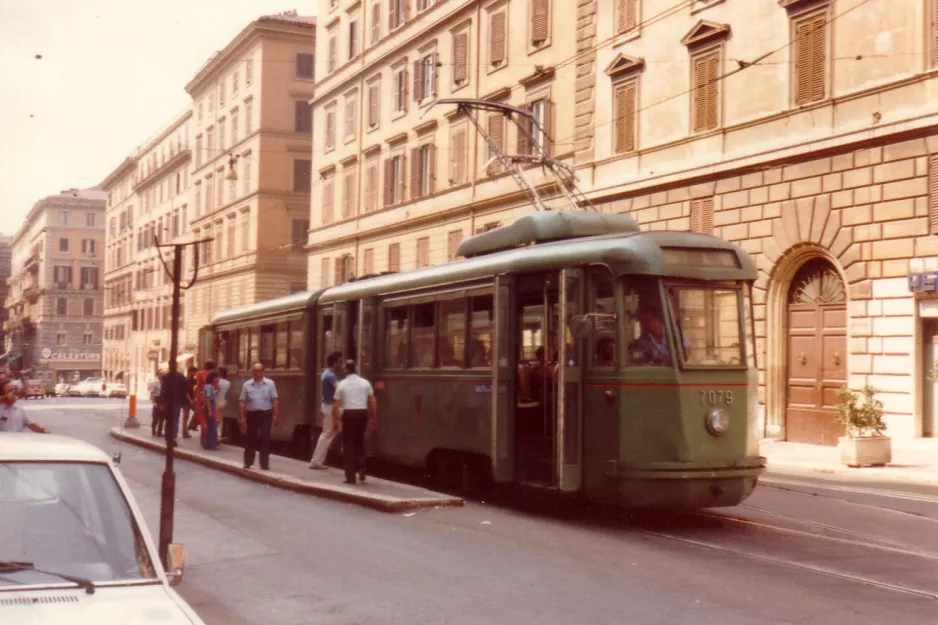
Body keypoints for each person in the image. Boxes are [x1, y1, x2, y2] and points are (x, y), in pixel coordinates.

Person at [331, 359, 376, 485]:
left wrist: (335, 421)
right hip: (362, 413)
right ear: (355, 368)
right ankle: (362, 466)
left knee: (348, 445)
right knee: (359, 440)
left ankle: (350, 477)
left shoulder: (342, 384)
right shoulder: (365, 382)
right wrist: (374, 417)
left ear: (346, 370)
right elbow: (372, 400)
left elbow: (336, 405)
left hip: (349, 414)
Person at [239, 363, 279, 470]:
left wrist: (275, 415)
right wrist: (242, 417)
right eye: (254, 371)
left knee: (265, 438)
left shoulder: (270, 384)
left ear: (263, 371)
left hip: (266, 414)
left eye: (258, 370)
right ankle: (248, 462)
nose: (256, 373)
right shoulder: (247, 385)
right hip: (252, 414)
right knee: (250, 438)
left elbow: (275, 400)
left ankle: (264, 464)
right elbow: (242, 401)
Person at [309, 351, 342, 470]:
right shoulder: (330, 375)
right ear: (334, 362)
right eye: (340, 362)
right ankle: (316, 461)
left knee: (329, 433)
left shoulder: (326, 374)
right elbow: (339, 389)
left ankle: (317, 461)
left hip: (328, 406)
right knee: (327, 433)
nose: (341, 364)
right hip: (330, 407)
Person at [158, 366, 190, 440]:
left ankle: (169, 434)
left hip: (170, 401)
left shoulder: (166, 376)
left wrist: (161, 402)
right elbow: (185, 388)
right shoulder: (180, 376)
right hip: (175, 401)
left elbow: (163, 390)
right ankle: (173, 435)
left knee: (170, 418)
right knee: (175, 418)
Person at [202, 370, 220, 450]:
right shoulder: (209, 386)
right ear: (213, 378)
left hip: (209, 406)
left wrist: (216, 390)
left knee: (211, 426)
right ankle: (210, 444)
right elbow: (208, 399)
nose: (218, 379)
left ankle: (208, 444)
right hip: (209, 406)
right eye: (217, 377)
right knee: (212, 426)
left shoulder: (209, 386)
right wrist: (209, 410)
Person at [182, 366, 198, 438]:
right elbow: (185, 392)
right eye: (194, 372)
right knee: (186, 416)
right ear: (190, 372)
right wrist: (190, 400)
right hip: (185, 401)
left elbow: (195, 390)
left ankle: (192, 425)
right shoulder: (185, 380)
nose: (195, 373)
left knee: (198, 412)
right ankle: (185, 432)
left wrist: (194, 399)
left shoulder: (194, 380)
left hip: (193, 400)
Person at [217, 367, 232, 442]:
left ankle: (215, 434)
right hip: (223, 401)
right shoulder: (228, 383)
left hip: (216, 401)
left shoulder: (217, 381)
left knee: (214, 418)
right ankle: (219, 434)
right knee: (220, 419)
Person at [150, 369, 166, 437]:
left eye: (163, 373)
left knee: (162, 417)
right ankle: (153, 429)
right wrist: (153, 402)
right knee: (156, 417)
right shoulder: (155, 382)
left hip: (163, 400)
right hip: (157, 399)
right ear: (158, 375)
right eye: (161, 373)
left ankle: (159, 432)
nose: (162, 375)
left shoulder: (165, 382)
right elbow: (152, 393)